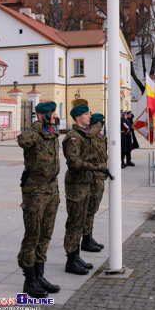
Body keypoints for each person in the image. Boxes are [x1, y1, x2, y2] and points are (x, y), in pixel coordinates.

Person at [17, 101, 60, 299]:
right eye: (52, 114)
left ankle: (40, 275)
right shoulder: (34, 132)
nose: (55, 117)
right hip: (35, 190)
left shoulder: (52, 132)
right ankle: (29, 280)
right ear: (43, 115)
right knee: (33, 235)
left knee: (46, 234)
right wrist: (37, 124)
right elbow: (23, 141)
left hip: (51, 189)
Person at [63, 104, 108, 275]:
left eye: (89, 113)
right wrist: (96, 168)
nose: (90, 116)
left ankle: (76, 257)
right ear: (77, 117)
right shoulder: (73, 137)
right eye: (86, 114)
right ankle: (71, 260)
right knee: (74, 223)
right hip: (76, 185)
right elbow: (74, 162)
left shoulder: (84, 135)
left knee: (82, 220)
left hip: (86, 182)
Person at [81, 113, 108, 253]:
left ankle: (88, 236)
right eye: (99, 124)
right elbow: (88, 136)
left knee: (93, 209)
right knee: (90, 209)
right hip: (93, 176)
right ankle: (86, 239)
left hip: (100, 175)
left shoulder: (99, 137)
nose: (101, 127)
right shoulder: (89, 136)